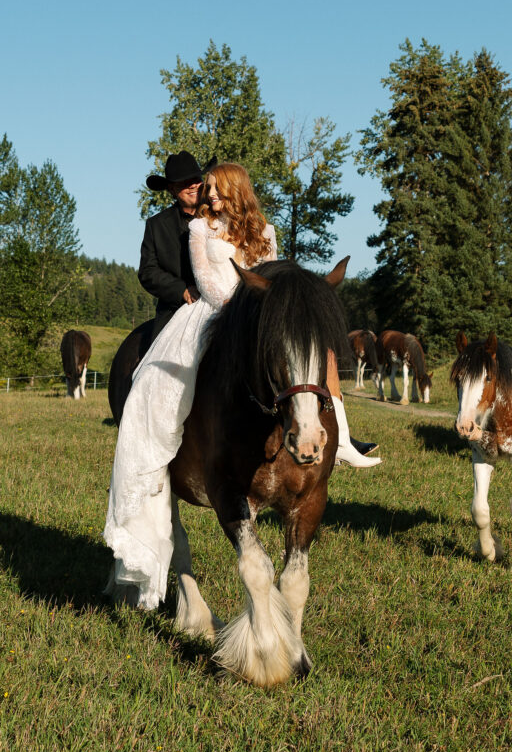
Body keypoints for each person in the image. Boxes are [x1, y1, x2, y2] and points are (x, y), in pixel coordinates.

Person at [105, 162, 378, 610]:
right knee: (174, 377)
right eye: (202, 188)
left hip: (259, 311)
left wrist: (275, 308)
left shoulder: (265, 230)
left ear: (235, 190)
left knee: (309, 356)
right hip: (215, 313)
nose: (206, 195)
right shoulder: (198, 231)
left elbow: (273, 272)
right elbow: (210, 284)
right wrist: (250, 309)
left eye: (213, 188)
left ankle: (342, 435)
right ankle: (169, 438)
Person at [139, 150, 217, 340]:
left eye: (196, 179)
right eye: (183, 183)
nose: (192, 186)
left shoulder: (220, 216)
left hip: (219, 306)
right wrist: (180, 290)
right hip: (175, 309)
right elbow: (148, 271)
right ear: (172, 189)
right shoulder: (156, 225)